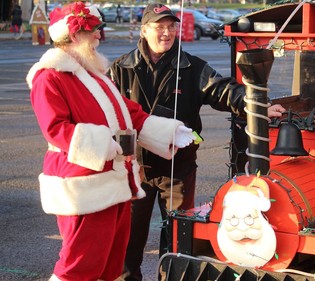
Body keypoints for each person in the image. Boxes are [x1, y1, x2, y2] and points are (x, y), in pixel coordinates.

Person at [108, 3, 285, 280]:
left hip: (178, 168)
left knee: (178, 241)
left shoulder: (191, 66)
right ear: (144, 30)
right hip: (135, 169)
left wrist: (256, 104)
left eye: (171, 27)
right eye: (159, 27)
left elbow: (223, 90)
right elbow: (104, 110)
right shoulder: (121, 68)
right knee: (128, 240)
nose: (166, 33)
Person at [26, 2, 195, 281]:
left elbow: (127, 112)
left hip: (114, 181)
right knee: (80, 264)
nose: (98, 37)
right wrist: (106, 145)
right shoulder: (49, 76)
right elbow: (56, 129)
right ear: (72, 34)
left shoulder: (93, 74)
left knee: (112, 263)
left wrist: (167, 131)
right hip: (84, 183)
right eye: (93, 30)